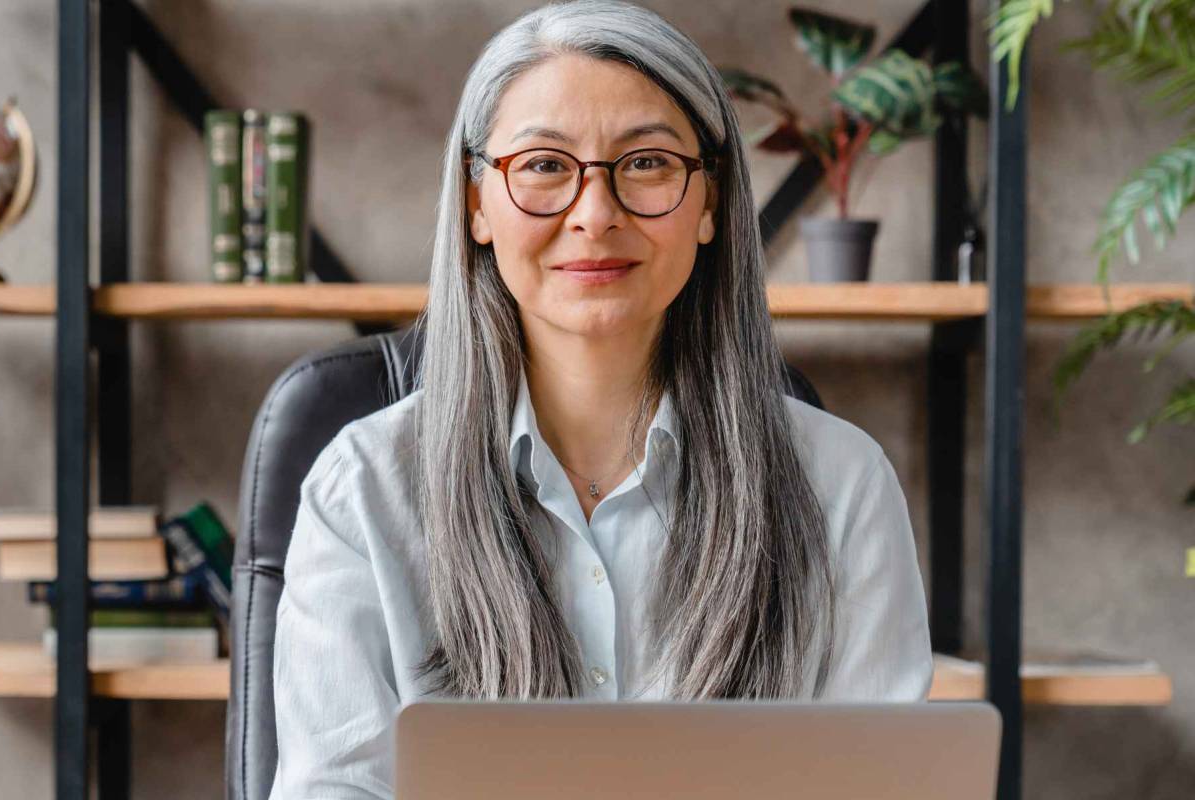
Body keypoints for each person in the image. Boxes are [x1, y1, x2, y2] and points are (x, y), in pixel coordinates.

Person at [266, 2, 934, 798]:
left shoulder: (841, 484)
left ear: (711, 202)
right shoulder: (364, 490)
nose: (594, 214)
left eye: (647, 163)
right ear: (478, 204)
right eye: (544, 165)